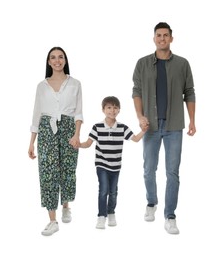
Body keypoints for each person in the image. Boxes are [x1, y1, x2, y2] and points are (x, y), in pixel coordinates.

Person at [132, 22, 196, 234]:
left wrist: (192, 121)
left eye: (165, 35)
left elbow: (190, 92)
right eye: (158, 35)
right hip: (150, 126)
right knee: (149, 170)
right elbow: (137, 91)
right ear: (154, 38)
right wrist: (140, 116)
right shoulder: (142, 63)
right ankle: (152, 203)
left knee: (173, 172)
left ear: (171, 38)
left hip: (174, 124)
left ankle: (170, 215)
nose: (162, 39)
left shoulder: (182, 63)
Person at [28, 46, 83, 236]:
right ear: (49, 62)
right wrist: (31, 142)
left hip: (68, 127)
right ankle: (52, 220)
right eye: (53, 57)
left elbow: (78, 112)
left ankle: (66, 204)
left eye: (61, 57)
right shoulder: (41, 86)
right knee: (48, 172)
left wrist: (77, 134)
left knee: (67, 169)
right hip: (46, 129)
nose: (57, 60)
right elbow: (36, 114)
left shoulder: (75, 83)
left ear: (65, 60)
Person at [73, 96, 148, 229]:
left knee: (113, 191)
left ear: (119, 110)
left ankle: (111, 212)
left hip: (116, 166)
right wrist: (79, 145)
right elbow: (88, 143)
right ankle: (101, 216)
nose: (112, 110)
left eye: (115, 108)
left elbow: (135, 139)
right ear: (103, 110)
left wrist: (143, 130)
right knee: (103, 190)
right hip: (101, 164)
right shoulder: (97, 127)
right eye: (109, 107)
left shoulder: (122, 128)